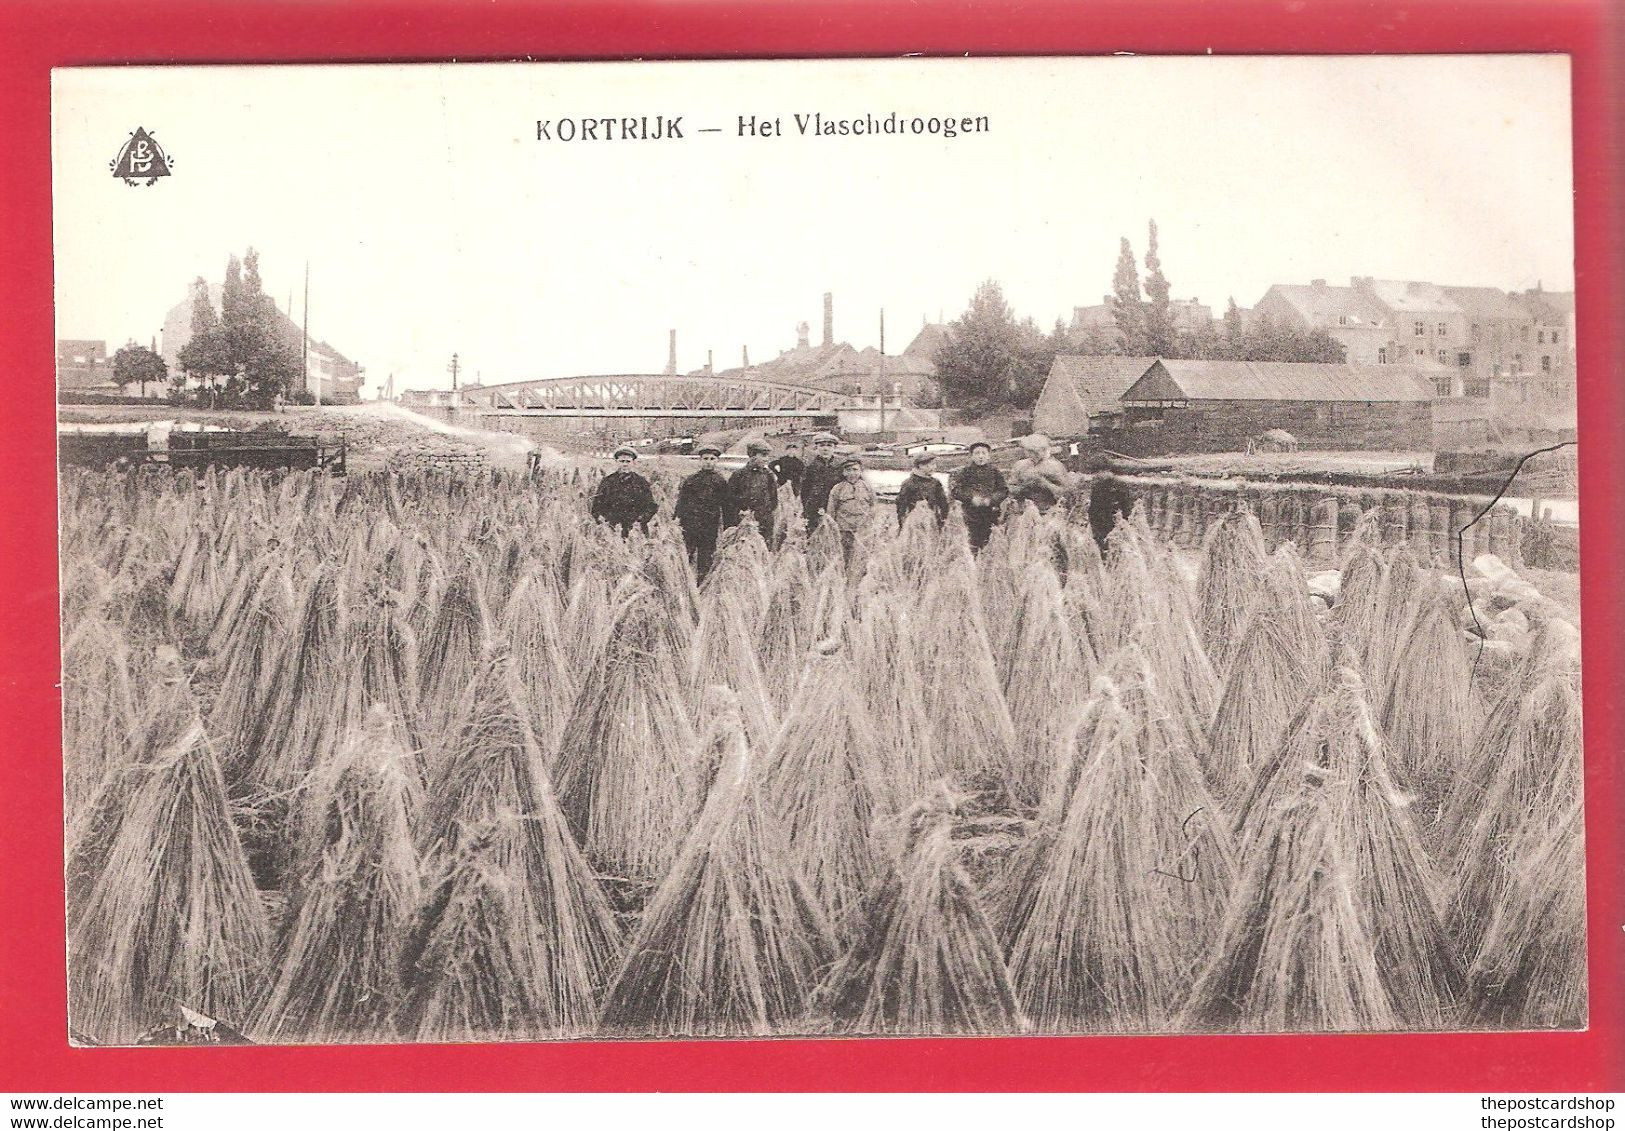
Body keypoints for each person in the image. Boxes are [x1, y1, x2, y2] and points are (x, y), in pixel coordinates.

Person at [674, 444, 731, 578]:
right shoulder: (691, 480)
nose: (708, 462)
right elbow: (682, 501)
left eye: (712, 459)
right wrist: (677, 518)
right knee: (686, 554)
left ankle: (702, 583)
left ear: (717, 461)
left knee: (706, 557)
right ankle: (684, 580)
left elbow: (726, 505)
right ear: (700, 460)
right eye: (705, 458)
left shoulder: (720, 481)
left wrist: (728, 527)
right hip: (690, 524)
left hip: (709, 525)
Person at [950, 441, 1009, 551]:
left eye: (984, 453)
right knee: (971, 542)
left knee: (991, 541)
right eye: (977, 453)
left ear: (988, 456)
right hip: (970, 513)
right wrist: (971, 499)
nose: (980, 456)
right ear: (971, 456)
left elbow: (1003, 490)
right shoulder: (964, 472)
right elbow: (955, 491)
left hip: (991, 512)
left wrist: (991, 500)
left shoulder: (995, 472)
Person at [589, 445, 658, 537]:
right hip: (612, 530)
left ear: (633, 462)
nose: (625, 464)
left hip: (635, 530)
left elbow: (651, 506)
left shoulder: (641, 482)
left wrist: (640, 521)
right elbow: (596, 506)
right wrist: (603, 522)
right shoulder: (607, 481)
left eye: (628, 461)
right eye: (622, 461)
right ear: (616, 462)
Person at [727, 439, 780, 546]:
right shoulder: (739, 475)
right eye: (763, 455)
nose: (767, 459)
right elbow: (730, 499)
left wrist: (765, 514)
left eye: (768, 456)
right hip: (744, 521)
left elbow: (773, 498)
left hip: (764, 521)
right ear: (752, 455)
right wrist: (741, 512)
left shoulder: (768, 475)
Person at [826, 457, 875, 564]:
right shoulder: (838, 488)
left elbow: (873, 506)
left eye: (855, 469)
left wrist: (870, 524)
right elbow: (831, 510)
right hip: (844, 529)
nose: (852, 473)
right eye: (848, 470)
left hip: (863, 529)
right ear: (843, 472)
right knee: (844, 557)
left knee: (863, 556)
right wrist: (833, 529)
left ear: (860, 471)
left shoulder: (867, 487)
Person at [1008, 433, 1073, 515]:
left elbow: (1065, 492)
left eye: (1035, 451)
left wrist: (1044, 483)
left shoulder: (1055, 466)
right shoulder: (1020, 465)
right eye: (1028, 451)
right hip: (1024, 511)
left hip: (1049, 510)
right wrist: (1024, 487)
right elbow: (1011, 488)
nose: (1031, 454)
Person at [1084, 450, 1132, 553]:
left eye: (1096, 473)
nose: (1095, 476)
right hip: (1115, 524)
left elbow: (1094, 511)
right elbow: (1127, 507)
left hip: (1105, 525)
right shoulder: (1120, 484)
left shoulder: (1099, 486)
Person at [799, 432, 844, 532]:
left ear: (834, 448)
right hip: (814, 507)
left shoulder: (840, 467)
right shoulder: (810, 467)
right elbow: (804, 491)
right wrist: (806, 510)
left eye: (829, 445)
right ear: (817, 448)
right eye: (822, 445)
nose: (825, 449)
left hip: (835, 507)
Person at [895, 450, 949, 526]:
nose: (934, 467)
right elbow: (901, 507)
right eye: (931, 464)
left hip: (933, 522)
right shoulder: (908, 484)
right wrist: (902, 524)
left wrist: (943, 520)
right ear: (921, 466)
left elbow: (943, 504)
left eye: (934, 464)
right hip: (914, 523)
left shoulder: (936, 483)